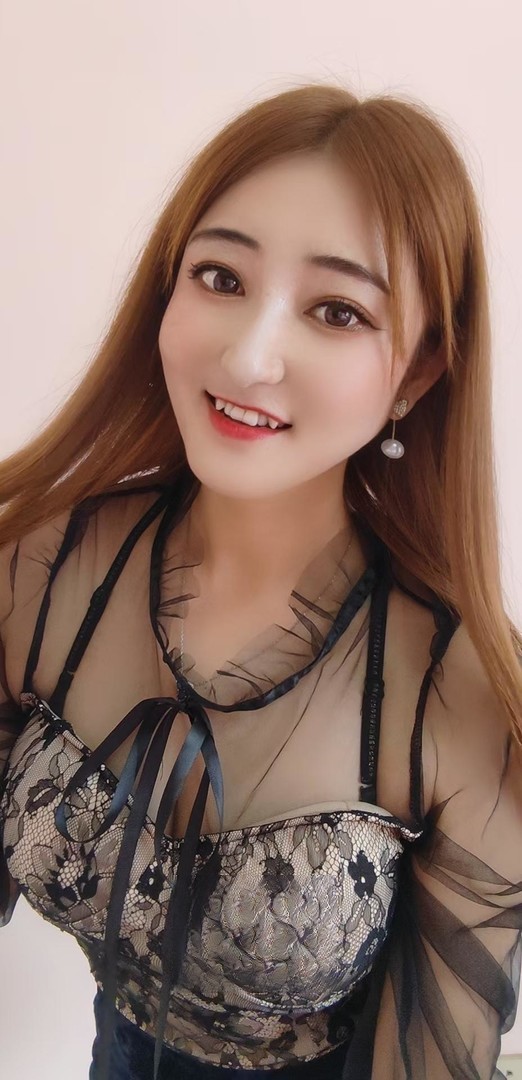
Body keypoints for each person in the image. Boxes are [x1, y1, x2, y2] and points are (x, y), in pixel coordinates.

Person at [0, 81, 521, 1080]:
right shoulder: (37, 573)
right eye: (221, 276)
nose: (248, 357)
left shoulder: (462, 698)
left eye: (337, 310)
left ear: (417, 374)